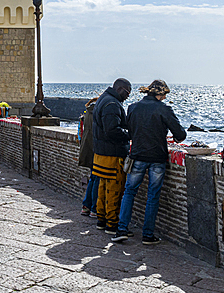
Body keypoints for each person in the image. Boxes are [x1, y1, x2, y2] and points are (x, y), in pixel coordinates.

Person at [113, 80, 186, 244]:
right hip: (156, 158)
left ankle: (122, 229)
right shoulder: (164, 109)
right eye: (164, 95)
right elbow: (180, 135)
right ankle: (147, 235)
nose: (165, 98)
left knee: (129, 192)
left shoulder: (132, 107)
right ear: (160, 94)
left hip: (137, 155)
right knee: (153, 196)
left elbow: (129, 131)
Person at [92, 78, 132, 234]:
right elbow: (112, 130)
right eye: (127, 93)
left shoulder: (103, 99)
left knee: (103, 187)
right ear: (120, 89)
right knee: (114, 189)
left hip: (101, 153)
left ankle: (101, 219)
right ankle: (112, 223)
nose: (128, 97)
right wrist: (129, 135)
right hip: (112, 154)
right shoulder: (112, 104)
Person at [78, 96, 99, 217]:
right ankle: (94, 208)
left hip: (87, 149)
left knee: (93, 177)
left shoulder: (87, 113)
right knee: (96, 178)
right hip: (95, 149)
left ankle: (86, 206)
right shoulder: (96, 113)